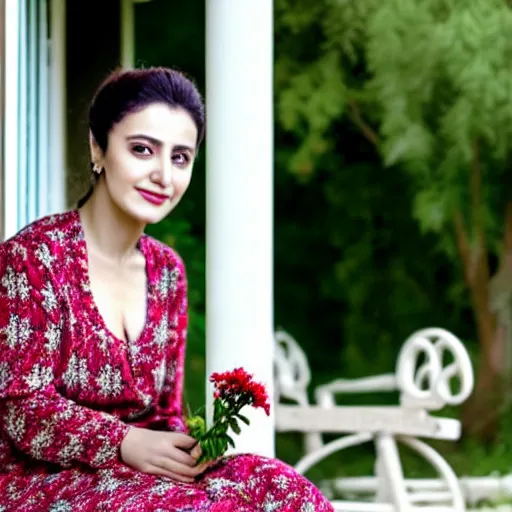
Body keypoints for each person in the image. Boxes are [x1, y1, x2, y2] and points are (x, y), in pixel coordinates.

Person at [0, 67, 333, 511]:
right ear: (97, 148)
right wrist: (123, 442)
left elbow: (163, 413)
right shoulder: (32, 260)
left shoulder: (167, 271)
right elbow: (22, 411)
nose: (163, 175)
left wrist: (185, 446)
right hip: (37, 481)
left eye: (180, 157)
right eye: (142, 150)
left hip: (143, 476)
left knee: (284, 490)